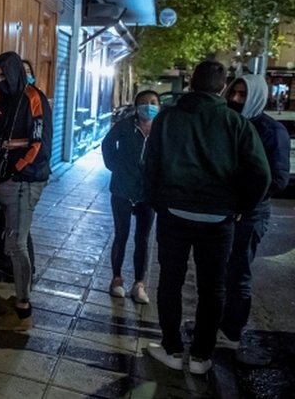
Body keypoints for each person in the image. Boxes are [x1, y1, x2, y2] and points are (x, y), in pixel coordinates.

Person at [143, 61, 270, 375]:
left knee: (169, 283)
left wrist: (157, 201)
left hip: (174, 212)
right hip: (218, 218)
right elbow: (261, 175)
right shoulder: (236, 123)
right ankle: (201, 356)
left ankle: (172, 348)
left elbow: (150, 165)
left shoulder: (168, 117)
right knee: (212, 288)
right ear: (223, 86)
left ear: (190, 83)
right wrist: (240, 204)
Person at [220, 74, 290, 352]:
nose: (236, 100)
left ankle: (232, 333)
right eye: (233, 93)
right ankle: (219, 324)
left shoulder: (271, 131)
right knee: (219, 273)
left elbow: (277, 179)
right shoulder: (228, 124)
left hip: (249, 215)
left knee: (238, 274)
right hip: (224, 212)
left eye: (243, 95)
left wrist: (244, 203)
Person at [0, 51, 52, 332]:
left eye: (4, 75)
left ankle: (23, 310)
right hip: (9, 176)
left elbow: (38, 142)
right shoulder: (7, 99)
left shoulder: (32, 97)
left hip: (23, 179)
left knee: (16, 243)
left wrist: (17, 169)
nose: (0, 80)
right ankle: (20, 298)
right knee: (13, 241)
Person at [102, 90, 160, 304]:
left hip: (147, 193)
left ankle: (139, 283)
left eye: (153, 102)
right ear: (136, 106)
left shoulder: (162, 129)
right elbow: (107, 145)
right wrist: (114, 165)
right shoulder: (125, 125)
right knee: (121, 234)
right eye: (144, 103)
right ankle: (117, 279)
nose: (148, 106)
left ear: (160, 106)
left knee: (143, 238)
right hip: (122, 189)